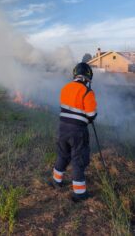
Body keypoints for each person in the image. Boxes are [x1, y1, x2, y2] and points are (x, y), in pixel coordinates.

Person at [51, 62, 97, 202]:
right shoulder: (87, 92)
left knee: (63, 155)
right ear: (87, 77)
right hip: (77, 131)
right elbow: (91, 114)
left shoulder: (65, 88)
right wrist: (89, 118)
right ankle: (79, 193)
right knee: (78, 159)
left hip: (62, 128)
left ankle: (56, 181)